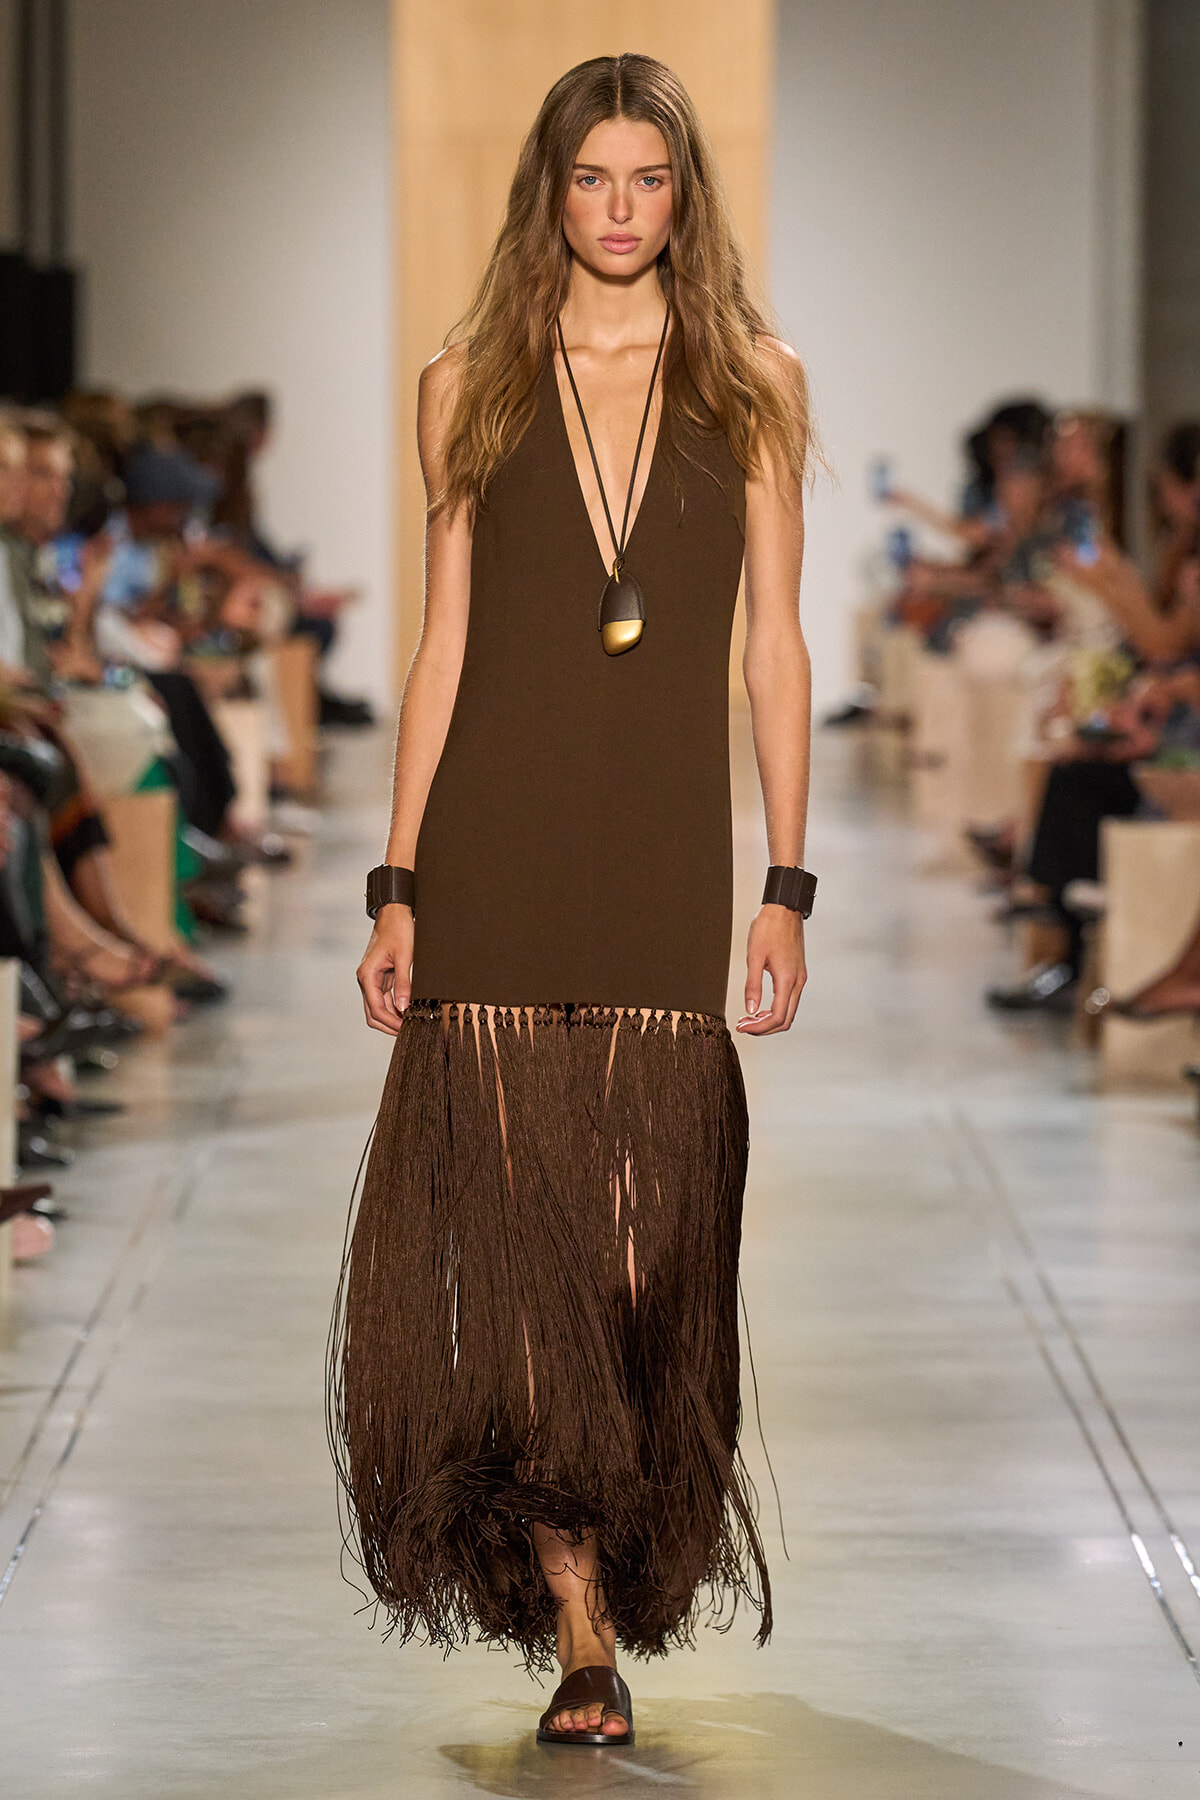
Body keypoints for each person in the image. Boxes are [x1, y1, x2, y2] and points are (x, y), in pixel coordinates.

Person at [329, 54, 814, 1749]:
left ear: (686, 195)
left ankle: (610, 1577)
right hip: (497, 844)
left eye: (649, 180)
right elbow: (444, 641)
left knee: (637, 1251)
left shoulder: (752, 381)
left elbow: (776, 647)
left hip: (665, 851)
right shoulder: (467, 382)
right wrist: (399, 881)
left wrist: (787, 885)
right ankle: (582, 1635)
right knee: (526, 1252)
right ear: (550, 189)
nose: (621, 210)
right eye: (592, 179)